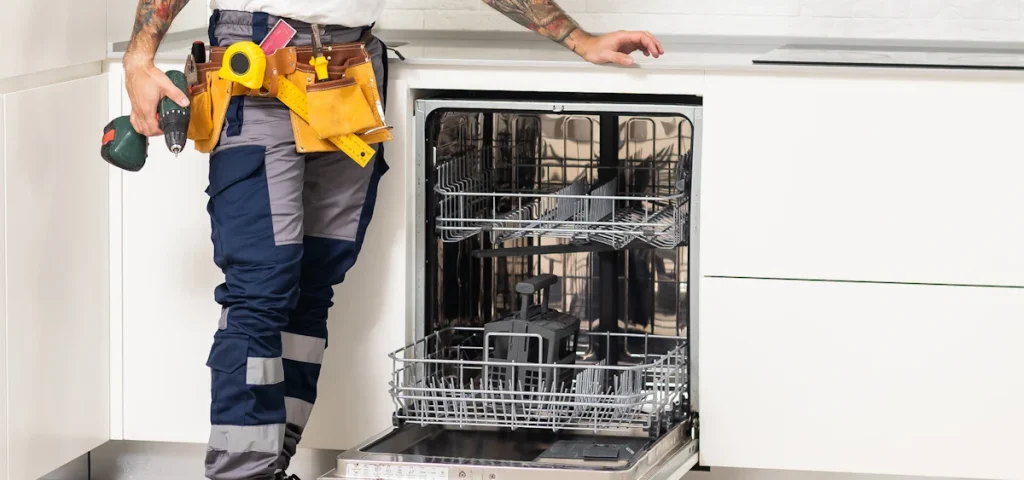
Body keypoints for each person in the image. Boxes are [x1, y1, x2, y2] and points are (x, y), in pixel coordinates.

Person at [122, 0, 664, 479]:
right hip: (255, 66)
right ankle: (241, 473)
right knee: (261, 288)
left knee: (310, 288)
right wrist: (138, 57)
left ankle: (272, 463)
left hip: (348, 74)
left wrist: (579, 39)